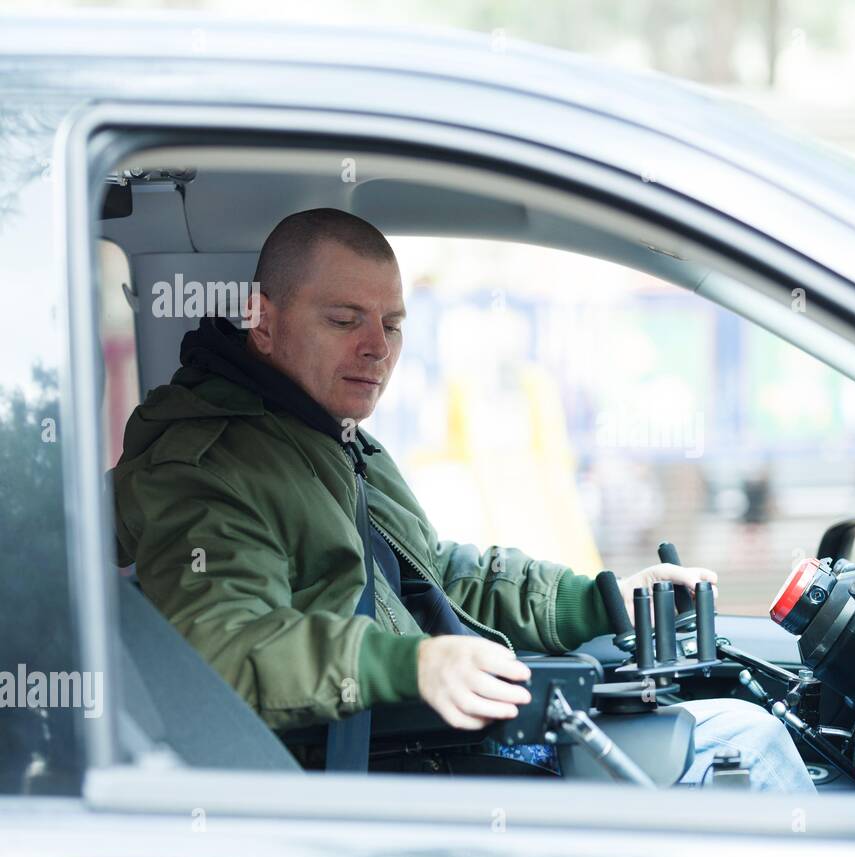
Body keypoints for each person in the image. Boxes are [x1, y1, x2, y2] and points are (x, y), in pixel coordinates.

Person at [110, 207, 814, 793]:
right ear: (262, 321)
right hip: (381, 774)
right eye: (344, 319)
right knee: (743, 745)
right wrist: (409, 665)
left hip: (448, 742)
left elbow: (436, 574)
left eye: (391, 324)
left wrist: (600, 600)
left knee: (714, 716)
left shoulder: (333, 437)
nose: (376, 349)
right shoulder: (207, 464)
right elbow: (221, 645)